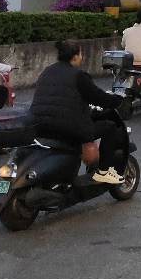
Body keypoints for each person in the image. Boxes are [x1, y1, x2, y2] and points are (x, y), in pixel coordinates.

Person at [30, 39, 126, 184]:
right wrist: (118, 99)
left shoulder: (47, 71)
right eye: (81, 54)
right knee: (110, 127)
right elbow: (99, 98)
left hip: (39, 124)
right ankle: (103, 172)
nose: (82, 57)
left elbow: (61, 98)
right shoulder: (78, 76)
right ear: (75, 56)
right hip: (66, 127)